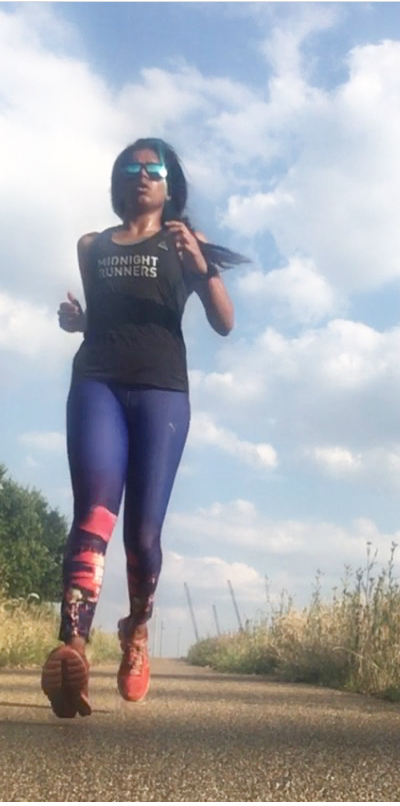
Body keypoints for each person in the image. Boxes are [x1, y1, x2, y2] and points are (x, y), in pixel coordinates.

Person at [40, 137, 243, 718]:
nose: (142, 175)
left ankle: (136, 631)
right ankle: (72, 648)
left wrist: (203, 270)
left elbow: (225, 324)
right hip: (97, 382)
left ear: (170, 185)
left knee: (143, 537)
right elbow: (105, 321)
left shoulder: (184, 242)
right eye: (131, 167)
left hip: (161, 392)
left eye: (153, 169)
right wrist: (80, 322)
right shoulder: (92, 245)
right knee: (95, 512)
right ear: (118, 181)